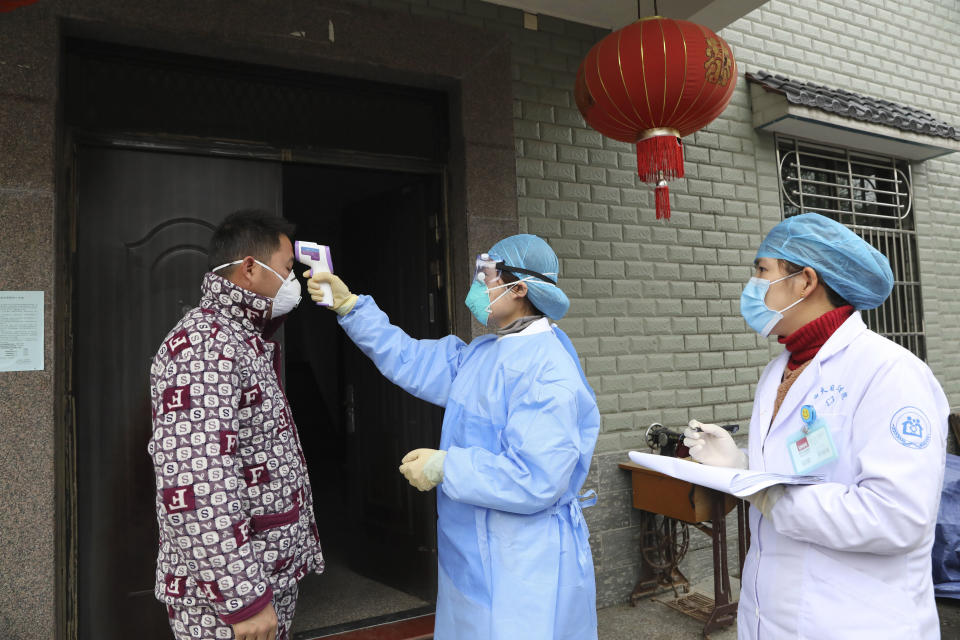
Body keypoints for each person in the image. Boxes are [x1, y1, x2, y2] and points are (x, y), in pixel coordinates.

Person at [306, 234, 600, 640]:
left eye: (487, 278)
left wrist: (447, 465)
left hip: (524, 562)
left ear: (519, 289)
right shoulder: (483, 354)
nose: (477, 288)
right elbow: (408, 357)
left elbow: (538, 477)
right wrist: (351, 307)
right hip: (472, 551)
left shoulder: (549, 374)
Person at [683, 213, 949, 639]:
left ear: (805, 281)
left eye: (762, 270)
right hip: (772, 617)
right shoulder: (778, 371)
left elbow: (896, 516)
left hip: (856, 621)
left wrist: (767, 493)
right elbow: (804, 470)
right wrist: (740, 463)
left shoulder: (891, 373)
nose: (752, 285)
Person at [148, 210, 324, 640]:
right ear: (250, 268)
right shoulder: (206, 346)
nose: (292, 282)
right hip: (229, 601)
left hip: (263, 576)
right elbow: (196, 483)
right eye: (286, 270)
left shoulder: (242, 338)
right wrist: (242, 598)